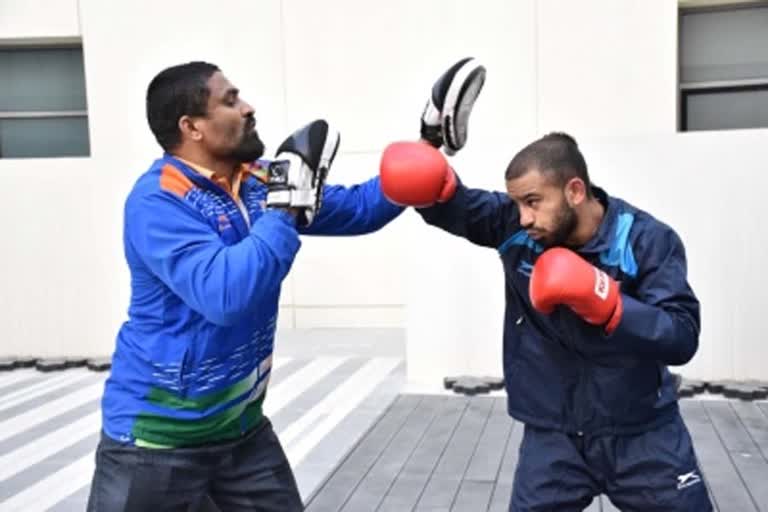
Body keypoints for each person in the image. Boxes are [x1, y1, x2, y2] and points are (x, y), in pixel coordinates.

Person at [87, 61, 403, 511]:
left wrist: (426, 150)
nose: (248, 108)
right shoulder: (157, 201)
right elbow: (226, 294)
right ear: (191, 126)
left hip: (240, 433)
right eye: (230, 100)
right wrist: (285, 206)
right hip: (155, 444)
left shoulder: (258, 180)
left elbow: (359, 209)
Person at [379, 130, 713, 510]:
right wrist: (426, 168)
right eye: (517, 203)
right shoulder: (516, 228)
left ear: (574, 191)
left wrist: (610, 304)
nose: (523, 217)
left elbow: (682, 335)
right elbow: (456, 205)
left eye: (533, 202)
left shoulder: (646, 239)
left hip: (642, 432)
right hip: (553, 437)